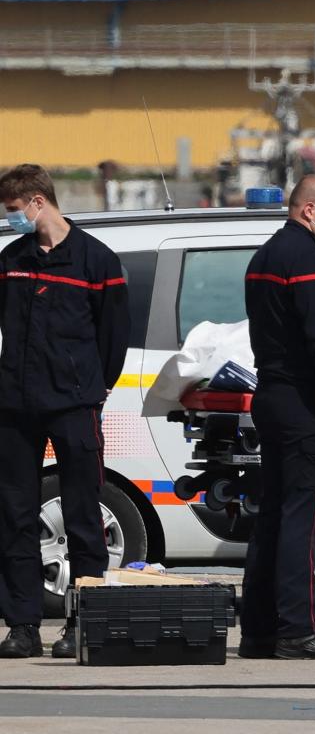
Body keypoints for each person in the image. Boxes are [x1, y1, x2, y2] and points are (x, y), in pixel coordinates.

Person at [0, 164, 130, 660]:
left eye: (13, 211)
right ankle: (23, 625)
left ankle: (83, 623)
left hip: (74, 404)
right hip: (14, 404)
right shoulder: (13, 259)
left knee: (82, 516)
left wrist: (93, 391)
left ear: (37, 202)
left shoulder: (97, 261)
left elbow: (113, 337)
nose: (10, 219)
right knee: (14, 515)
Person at [239, 175, 315, 660]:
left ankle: (260, 630)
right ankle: (298, 629)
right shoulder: (307, 260)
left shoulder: (265, 256)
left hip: (272, 395)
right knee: (303, 519)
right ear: (309, 210)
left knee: (274, 517)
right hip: (305, 403)